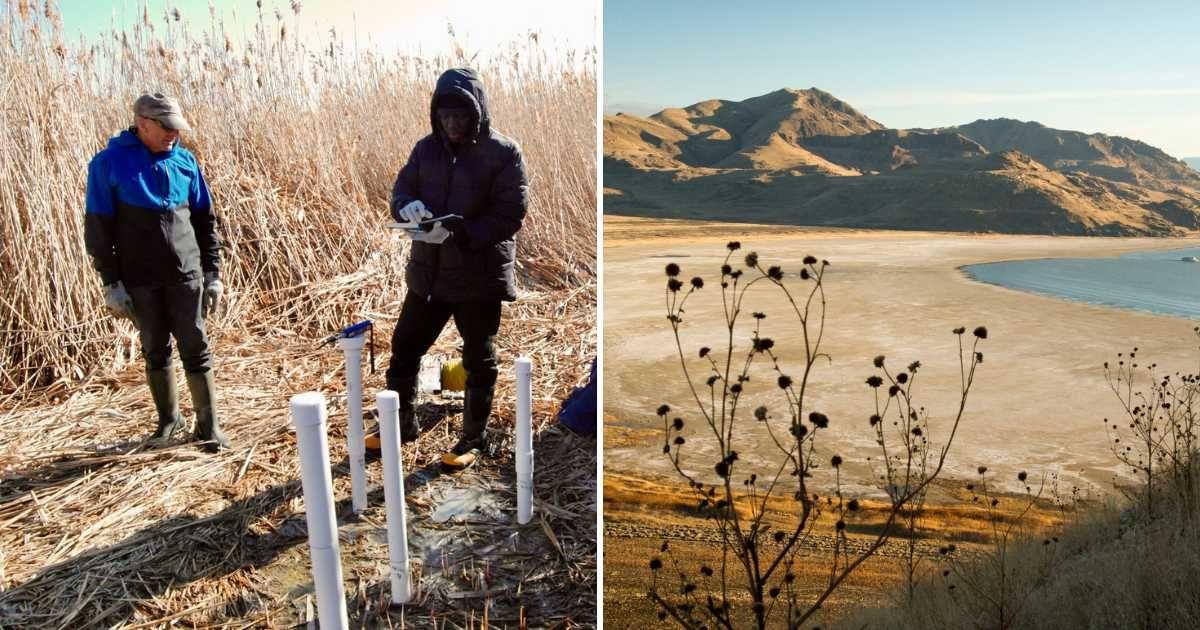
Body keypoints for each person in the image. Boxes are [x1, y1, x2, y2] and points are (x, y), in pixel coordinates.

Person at [377, 67, 528, 470]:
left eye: (460, 116)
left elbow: (511, 214)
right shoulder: (425, 149)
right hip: (428, 274)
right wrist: (406, 206)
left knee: (478, 357)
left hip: (478, 276)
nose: (452, 124)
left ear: (476, 112)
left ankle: (473, 439)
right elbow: (402, 189)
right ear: (436, 114)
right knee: (405, 346)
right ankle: (402, 424)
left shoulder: (504, 152)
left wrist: (462, 233)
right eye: (445, 116)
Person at [84, 92, 230, 453]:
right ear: (143, 124)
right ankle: (168, 421)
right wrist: (111, 283)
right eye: (166, 127)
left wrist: (212, 273)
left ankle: (208, 426)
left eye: (177, 127)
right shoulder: (108, 164)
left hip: (186, 274)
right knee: (155, 348)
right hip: (140, 279)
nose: (174, 134)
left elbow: (205, 221)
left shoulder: (186, 162)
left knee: (196, 346)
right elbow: (98, 229)